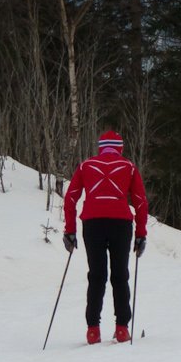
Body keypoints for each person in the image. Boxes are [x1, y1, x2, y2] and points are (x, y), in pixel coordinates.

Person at [62, 130, 149, 344]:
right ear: (120, 147)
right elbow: (140, 201)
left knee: (97, 275)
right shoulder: (128, 167)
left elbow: (71, 197)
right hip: (121, 223)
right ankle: (122, 329)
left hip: (92, 224)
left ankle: (93, 330)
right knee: (120, 275)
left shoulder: (86, 165)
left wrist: (70, 230)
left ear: (100, 147)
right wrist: (141, 234)